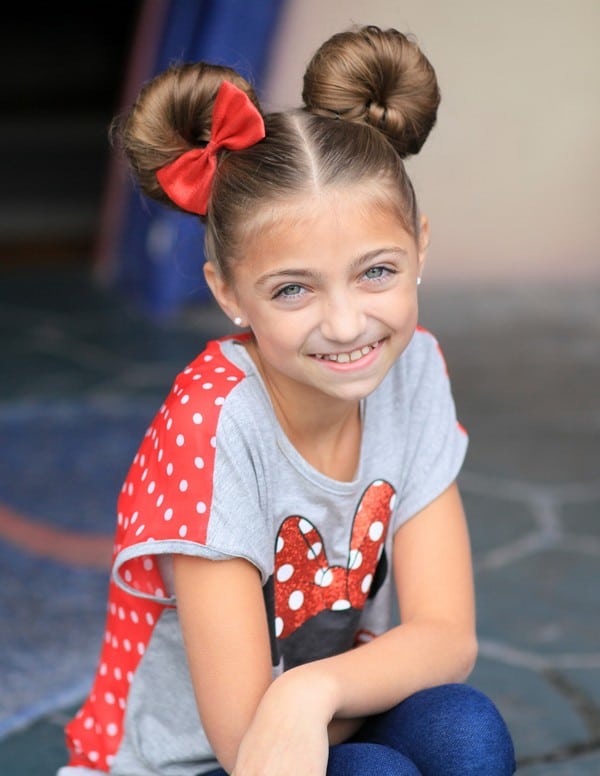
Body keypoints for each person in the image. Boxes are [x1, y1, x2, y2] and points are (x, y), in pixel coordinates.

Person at [58, 24, 516, 776]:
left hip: (320, 715)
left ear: (420, 249)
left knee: (464, 729)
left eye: (376, 272)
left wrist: (314, 690)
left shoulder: (415, 368)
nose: (345, 324)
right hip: (200, 761)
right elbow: (247, 744)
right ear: (228, 292)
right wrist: (304, 705)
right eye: (293, 288)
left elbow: (445, 636)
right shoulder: (213, 429)